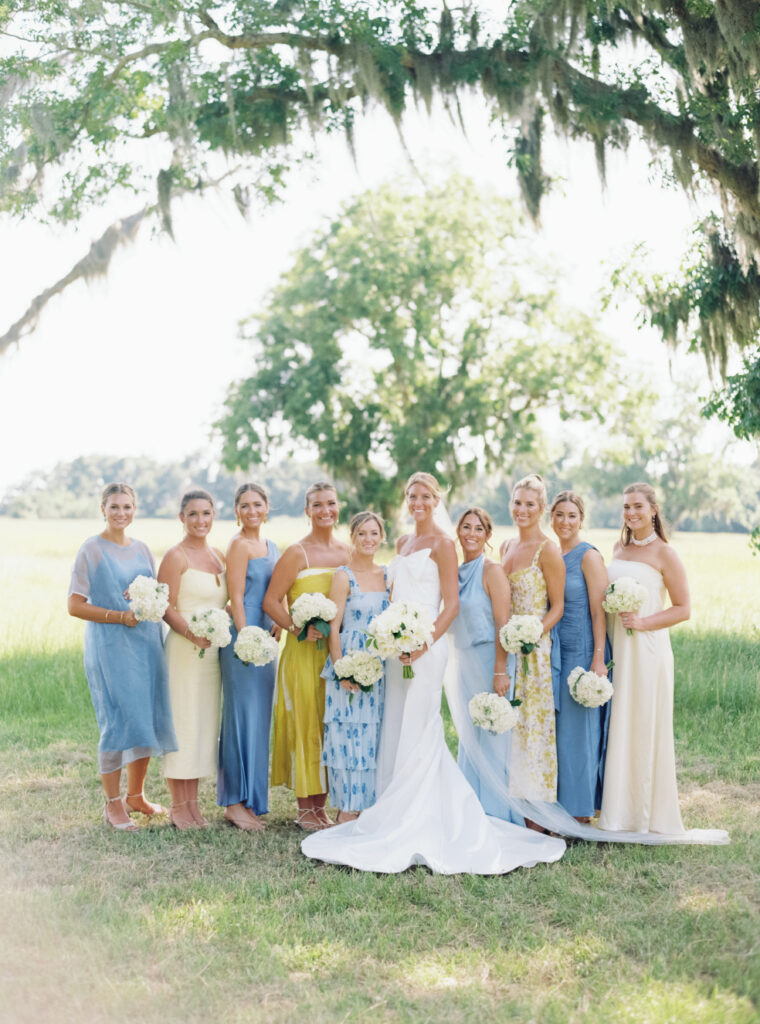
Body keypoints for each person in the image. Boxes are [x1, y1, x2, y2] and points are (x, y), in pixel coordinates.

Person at [301, 472, 566, 873]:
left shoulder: (444, 544)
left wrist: (424, 642)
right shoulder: (403, 543)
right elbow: (392, 594)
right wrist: (390, 638)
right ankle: (390, 805)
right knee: (396, 722)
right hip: (395, 646)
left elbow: (451, 605)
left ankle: (422, 812)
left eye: (426, 495)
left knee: (420, 724)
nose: (418, 502)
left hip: (428, 644)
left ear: (436, 499)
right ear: (406, 500)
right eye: (412, 495)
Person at [67, 482, 176, 831]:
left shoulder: (143, 549)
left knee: (143, 715)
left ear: (135, 509)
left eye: (127, 507)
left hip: (146, 643)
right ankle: (113, 805)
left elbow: (158, 594)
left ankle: (136, 795)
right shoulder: (91, 549)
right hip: (111, 646)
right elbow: (74, 604)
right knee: (116, 720)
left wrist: (151, 598)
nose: (121, 513)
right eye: (114, 507)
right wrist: (119, 615)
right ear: (103, 509)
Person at [598, 483, 689, 834]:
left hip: (647, 652)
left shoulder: (666, 553)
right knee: (619, 724)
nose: (631, 513)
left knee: (643, 726)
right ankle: (616, 812)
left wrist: (643, 621)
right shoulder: (618, 548)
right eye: (625, 507)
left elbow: (684, 609)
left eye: (637, 506)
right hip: (618, 650)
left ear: (653, 510)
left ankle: (644, 815)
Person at [262, 482, 350, 831]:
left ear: (338, 507)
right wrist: (297, 628)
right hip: (302, 653)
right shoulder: (297, 553)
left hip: (334, 654)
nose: (325, 510)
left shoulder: (347, 553)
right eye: (317, 505)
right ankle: (304, 808)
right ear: (307, 511)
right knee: (306, 722)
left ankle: (321, 806)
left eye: (330, 503)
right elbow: (271, 601)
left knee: (329, 724)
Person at [159, 489, 228, 830]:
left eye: (206, 513)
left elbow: (224, 602)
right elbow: (165, 607)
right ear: (181, 518)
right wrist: (191, 633)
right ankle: (177, 805)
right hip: (184, 651)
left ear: (214, 515)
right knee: (183, 723)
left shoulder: (219, 556)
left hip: (212, 653)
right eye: (193, 514)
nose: (201, 520)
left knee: (203, 725)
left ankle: (193, 804)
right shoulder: (175, 556)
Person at [499, 474, 565, 810]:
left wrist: (532, 633)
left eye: (529, 504)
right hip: (507, 648)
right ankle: (509, 803)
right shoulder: (506, 546)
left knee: (534, 727)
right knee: (511, 726)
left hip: (535, 651)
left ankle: (538, 808)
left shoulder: (547, 551)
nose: (522, 509)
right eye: (517, 502)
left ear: (541, 508)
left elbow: (558, 607)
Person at [217, 483, 279, 831]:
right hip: (244, 637)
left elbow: (276, 590)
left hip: (267, 637)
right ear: (236, 511)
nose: (251, 510)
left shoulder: (272, 546)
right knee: (239, 717)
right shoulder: (238, 546)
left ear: (267, 508)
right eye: (244, 505)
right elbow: (237, 597)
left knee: (259, 718)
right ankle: (234, 802)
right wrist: (245, 638)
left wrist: (279, 624)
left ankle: (253, 800)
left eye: (257, 504)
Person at [321, 511, 390, 822]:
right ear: (353, 537)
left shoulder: (388, 575)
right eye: (362, 533)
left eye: (374, 533)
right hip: (347, 660)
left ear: (382, 537)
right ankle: (346, 809)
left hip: (377, 667)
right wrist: (341, 669)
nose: (368, 539)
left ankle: (368, 807)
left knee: (371, 735)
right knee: (346, 734)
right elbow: (333, 627)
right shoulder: (343, 575)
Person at [550, 490, 610, 821]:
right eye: (559, 514)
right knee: (561, 732)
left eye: (572, 516)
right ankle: (561, 804)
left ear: (581, 520)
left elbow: (599, 613)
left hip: (585, 650)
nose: (565, 521)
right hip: (556, 651)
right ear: (551, 517)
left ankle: (582, 810)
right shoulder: (550, 552)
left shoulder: (588, 556)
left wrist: (598, 659)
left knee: (581, 733)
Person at [454, 506, 516, 819]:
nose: (472, 534)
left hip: (492, 660)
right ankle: (470, 810)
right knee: (470, 736)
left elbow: (503, 624)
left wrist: (500, 671)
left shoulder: (491, 570)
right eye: (466, 527)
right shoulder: (455, 571)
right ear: (458, 531)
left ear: (488, 536)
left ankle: (495, 813)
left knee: (492, 737)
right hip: (466, 662)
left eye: (479, 529)